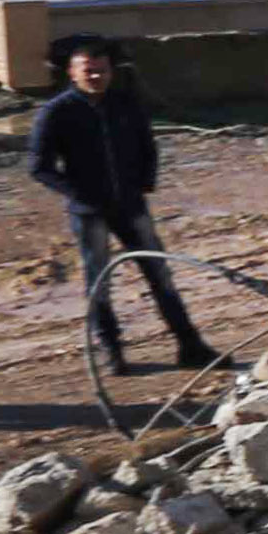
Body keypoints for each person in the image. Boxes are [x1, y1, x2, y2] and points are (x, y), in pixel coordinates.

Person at [26, 40, 214, 372]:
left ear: (111, 71)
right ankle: (111, 351)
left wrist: (144, 182)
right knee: (99, 282)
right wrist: (78, 194)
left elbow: (147, 145)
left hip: (131, 207)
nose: (95, 76)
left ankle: (190, 345)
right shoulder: (57, 112)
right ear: (72, 72)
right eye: (88, 70)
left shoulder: (125, 103)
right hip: (89, 214)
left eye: (101, 70)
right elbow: (39, 167)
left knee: (160, 274)